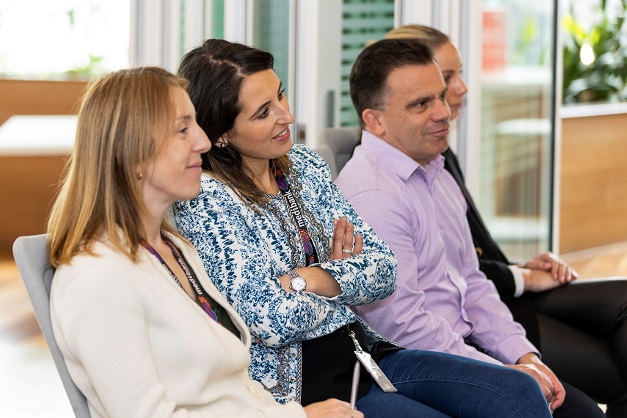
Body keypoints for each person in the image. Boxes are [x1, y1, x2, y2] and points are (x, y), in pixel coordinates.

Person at [173, 38, 553, 418]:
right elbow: (271, 320)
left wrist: (309, 278)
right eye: (262, 113)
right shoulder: (207, 197)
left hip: (364, 353)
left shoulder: (304, 166)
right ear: (220, 133)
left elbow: (384, 271)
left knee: (517, 392)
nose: (286, 116)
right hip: (303, 386)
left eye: (281, 95)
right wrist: (343, 281)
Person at [47, 66, 360, 418]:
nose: (204, 142)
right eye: (183, 130)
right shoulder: (97, 277)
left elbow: (233, 388)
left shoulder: (173, 248)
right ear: (128, 153)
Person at [334, 37, 605, 417]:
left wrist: (524, 356)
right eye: (421, 104)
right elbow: (402, 327)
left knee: (585, 412)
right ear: (374, 121)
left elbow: (472, 282)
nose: (443, 112)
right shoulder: (374, 194)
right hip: (419, 364)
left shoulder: (434, 168)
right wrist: (504, 374)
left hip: (463, 345)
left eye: (440, 96)